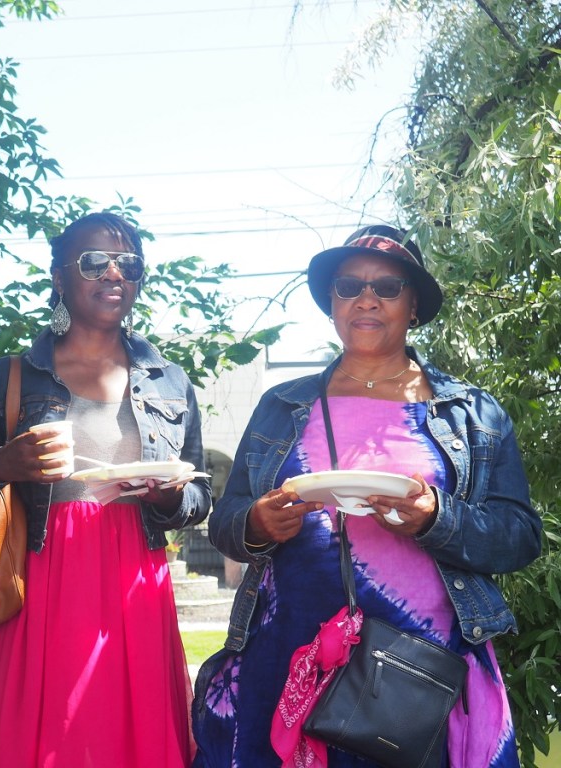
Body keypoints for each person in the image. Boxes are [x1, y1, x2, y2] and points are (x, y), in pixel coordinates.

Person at [191, 225, 542, 768]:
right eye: (349, 285)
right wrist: (257, 525)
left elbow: (519, 536)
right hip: (289, 654)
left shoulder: (471, 413)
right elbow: (226, 522)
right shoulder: (282, 405)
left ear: (415, 304)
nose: (367, 299)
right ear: (332, 303)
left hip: (424, 666)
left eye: (388, 286)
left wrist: (435, 519)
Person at [0, 211, 212, 768]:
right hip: (40, 575)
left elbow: (198, 496)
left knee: (128, 735)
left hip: (134, 580)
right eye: (95, 261)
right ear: (60, 276)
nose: (114, 273)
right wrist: (2, 464)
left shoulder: (169, 381)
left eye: (130, 265)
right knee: (42, 738)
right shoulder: (7, 379)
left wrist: (168, 496)